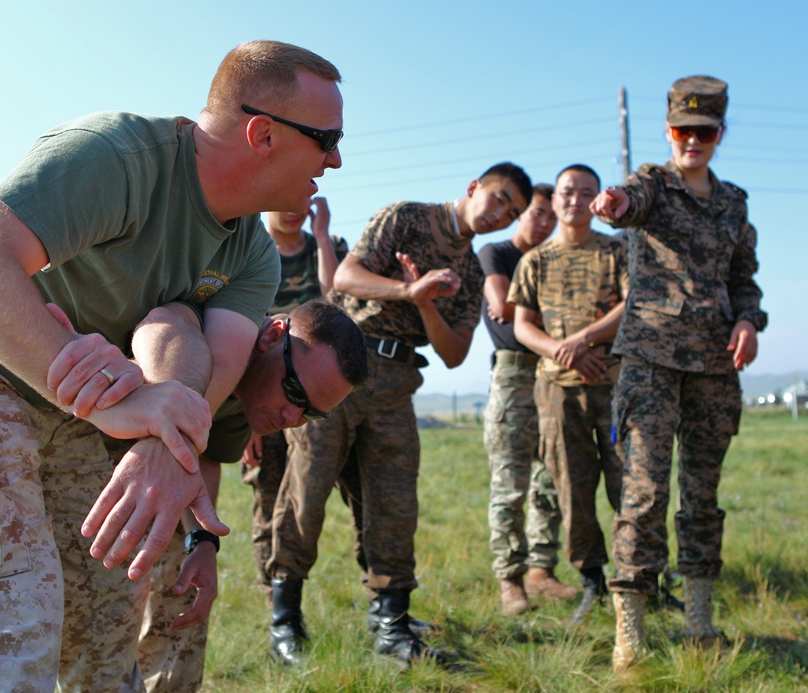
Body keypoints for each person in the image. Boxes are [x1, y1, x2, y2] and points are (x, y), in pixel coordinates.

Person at [0, 39, 344, 691]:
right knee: (6, 632)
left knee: (109, 625)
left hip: (73, 401)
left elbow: (207, 354)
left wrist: (165, 439)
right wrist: (113, 402)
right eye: (327, 138)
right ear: (262, 133)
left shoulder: (248, 250)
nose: (336, 159)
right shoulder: (120, 157)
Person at [267, 163, 532, 667]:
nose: (500, 215)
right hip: (336, 372)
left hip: (395, 383)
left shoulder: (472, 270)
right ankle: (286, 621)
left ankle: (390, 623)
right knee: (306, 496)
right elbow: (346, 275)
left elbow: (454, 353)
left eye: (512, 212)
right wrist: (406, 290)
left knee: (394, 505)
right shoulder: (407, 218)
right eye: (498, 199)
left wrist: (426, 304)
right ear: (474, 187)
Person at [590, 76, 767, 672]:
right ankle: (630, 631)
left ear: (719, 134)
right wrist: (613, 204)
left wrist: (748, 320)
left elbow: (744, 276)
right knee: (643, 494)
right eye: (682, 130)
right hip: (650, 362)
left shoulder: (734, 202)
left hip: (715, 365)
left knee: (702, 495)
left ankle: (699, 619)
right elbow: (627, 200)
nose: (692, 140)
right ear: (668, 131)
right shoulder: (653, 185)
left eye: (705, 131)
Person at [130, 300, 366, 692]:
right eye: (293, 391)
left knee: (183, 596)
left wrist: (202, 541)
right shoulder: (203, 342)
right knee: (102, 638)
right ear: (272, 336)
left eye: (312, 413)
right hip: (86, 448)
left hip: (155, 479)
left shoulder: (253, 393)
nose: (293, 419)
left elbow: (201, 456)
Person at [510, 164, 628, 625]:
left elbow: (630, 303)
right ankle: (594, 582)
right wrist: (566, 353)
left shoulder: (616, 251)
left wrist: (586, 340)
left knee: (630, 488)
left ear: (597, 199)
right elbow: (522, 326)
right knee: (572, 490)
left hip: (616, 387)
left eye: (585, 192)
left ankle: (639, 577)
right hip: (559, 391)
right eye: (566, 192)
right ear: (554, 199)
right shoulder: (535, 260)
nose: (574, 200)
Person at [240, 197, 348, 604]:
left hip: (310, 393)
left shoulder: (329, 246)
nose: (293, 210)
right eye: (284, 202)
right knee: (267, 494)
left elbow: (337, 307)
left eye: (301, 203)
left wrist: (321, 239)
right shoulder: (251, 248)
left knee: (301, 496)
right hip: (262, 383)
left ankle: (287, 587)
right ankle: (272, 595)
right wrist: (244, 418)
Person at [479, 183, 577, 615]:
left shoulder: (554, 260)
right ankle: (510, 579)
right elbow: (502, 308)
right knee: (510, 483)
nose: (544, 222)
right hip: (514, 375)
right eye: (537, 212)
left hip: (554, 375)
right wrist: (550, 318)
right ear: (522, 213)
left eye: (550, 216)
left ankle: (542, 570)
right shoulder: (496, 254)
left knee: (550, 480)